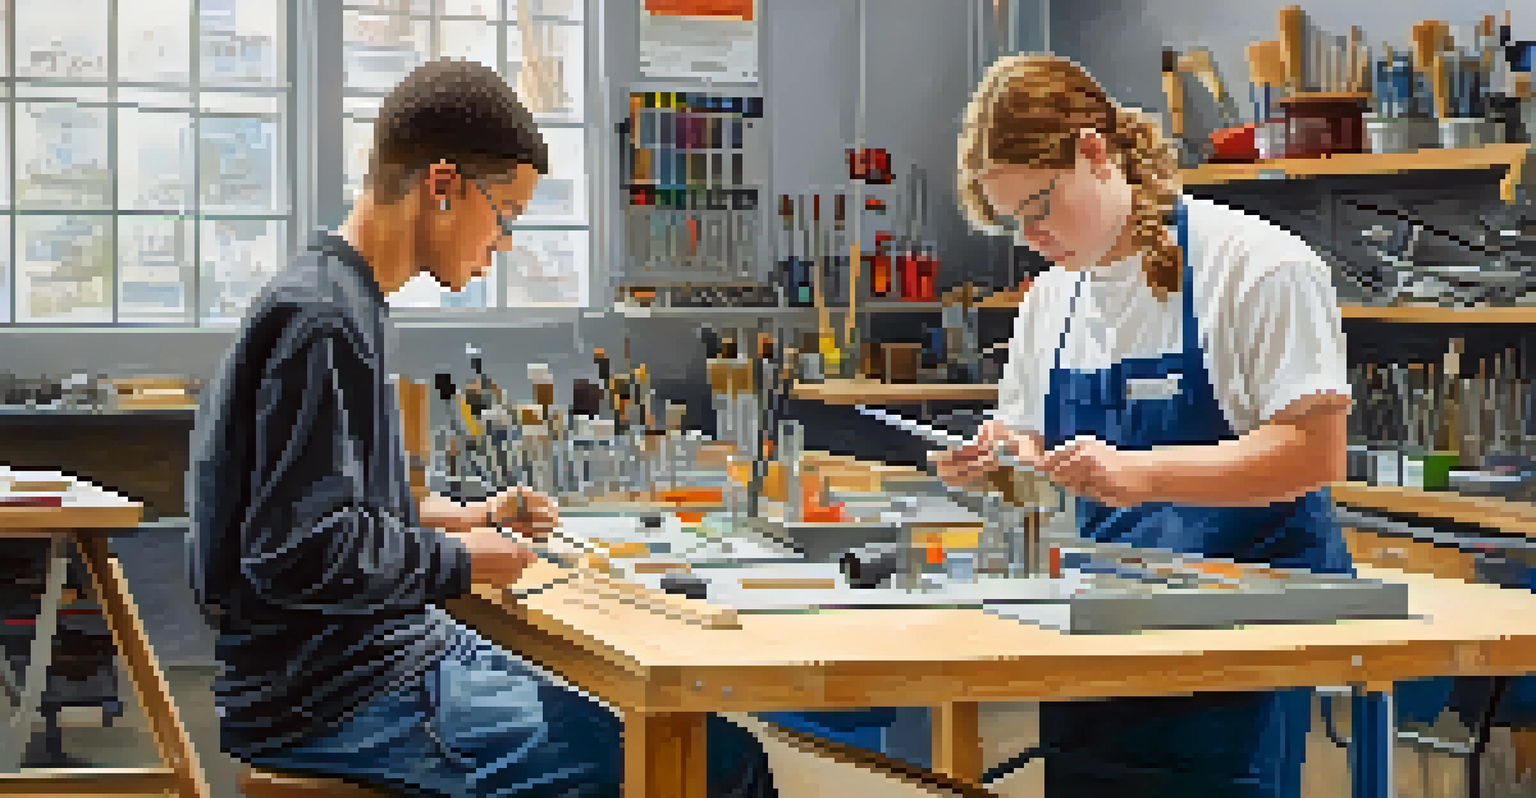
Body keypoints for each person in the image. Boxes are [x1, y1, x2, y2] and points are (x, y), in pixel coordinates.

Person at [189, 58, 777, 798]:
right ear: (442, 186)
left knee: (644, 720)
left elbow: (319, 511)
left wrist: (462, 517)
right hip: (333, 698)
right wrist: (461, 561)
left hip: (364, 660)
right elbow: (296, 553)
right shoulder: (324, 321)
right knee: (717, 766)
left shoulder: (335, 294)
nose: (503, 244)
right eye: (507, 215)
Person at [929, 54, 1357, 797]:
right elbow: (1033, 449)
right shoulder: (1051, 302)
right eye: (1012, 222)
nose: (1030, 235)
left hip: (1243, 642)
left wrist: (1144, 472)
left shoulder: (1255, 267)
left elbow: (1315, 452)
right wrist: (1003, 458)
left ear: (1094, 152)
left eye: (1039, 206)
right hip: (1104, 635)